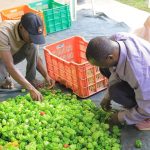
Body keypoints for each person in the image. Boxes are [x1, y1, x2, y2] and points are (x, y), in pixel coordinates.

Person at [86, 32, 150, 130]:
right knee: (105, 69)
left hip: (146, 87)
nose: (101, 67)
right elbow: (115, 72)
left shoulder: (138, 73)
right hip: (141, 75)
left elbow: (147, 108)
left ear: (110, 57)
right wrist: (107, 97)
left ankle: (146, 118)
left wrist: (120, 117)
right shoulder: (115, 39)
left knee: (117, 93)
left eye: (101, 64)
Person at [0, 12, 55, 101]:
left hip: (10, 54)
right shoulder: (3, 32)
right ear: (21, 27)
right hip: (2, 58)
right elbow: (9, 65)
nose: (33, 39)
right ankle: (5, 78)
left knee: (32, 46)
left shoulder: (30, 33)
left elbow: (36, 57)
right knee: (1, 78)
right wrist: (31, 88)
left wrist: (46, 76)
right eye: (31, 36)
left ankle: (31, 79)